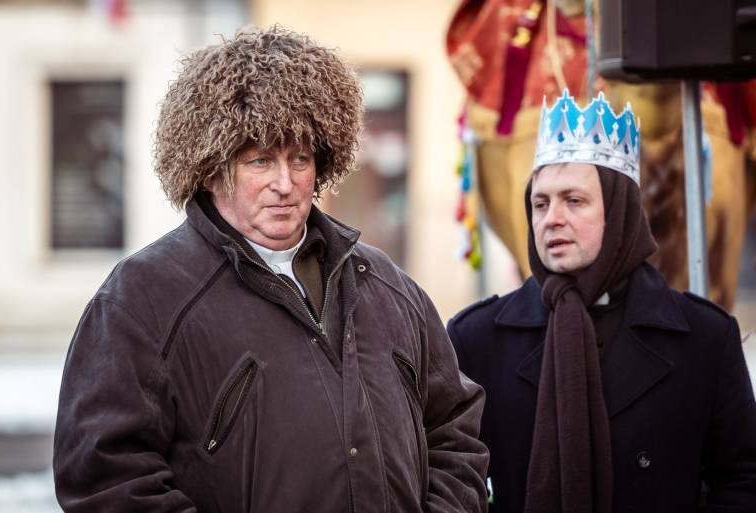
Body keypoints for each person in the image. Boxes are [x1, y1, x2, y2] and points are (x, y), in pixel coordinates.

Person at [53, 26, 488, 513]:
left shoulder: (387, 286)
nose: (285, 183)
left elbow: (455, 433)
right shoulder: (143, 298)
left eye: (299, 159)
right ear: (211, 169)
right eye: (260, 161)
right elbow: (107, 479)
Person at [448, 90, 756, 513]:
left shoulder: (705, 337)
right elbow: (449, 475)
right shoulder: (478, 339)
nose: (552, 218)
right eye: (540, 203)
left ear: (619, 211)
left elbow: (741, 480)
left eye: (573, 201)